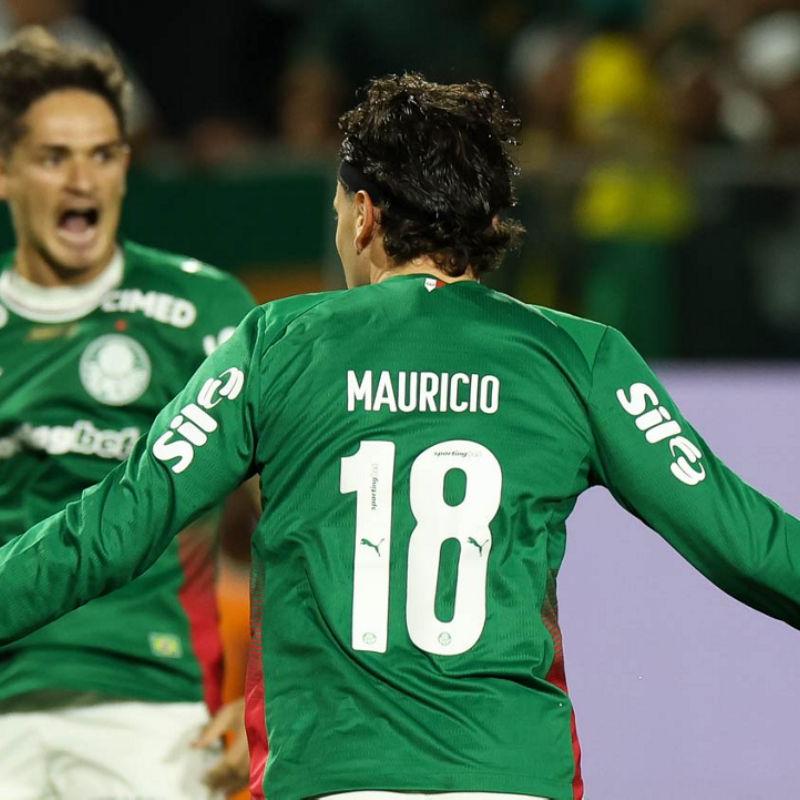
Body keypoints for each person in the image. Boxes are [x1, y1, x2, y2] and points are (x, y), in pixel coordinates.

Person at [1, 71, 799, 800]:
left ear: (365, 216)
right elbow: (745, 542)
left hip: (332, 775)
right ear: (488, 220)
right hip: (511, 775)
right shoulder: (581, 358)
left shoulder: (275, 344)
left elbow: (113, 526)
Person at [0, 28, 255, 799]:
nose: (84, 180)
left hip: (156, 700)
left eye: (104, 155)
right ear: (6, 171)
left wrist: (264, 699)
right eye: (55, 157)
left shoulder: (203, 311)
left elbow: (292, 512)